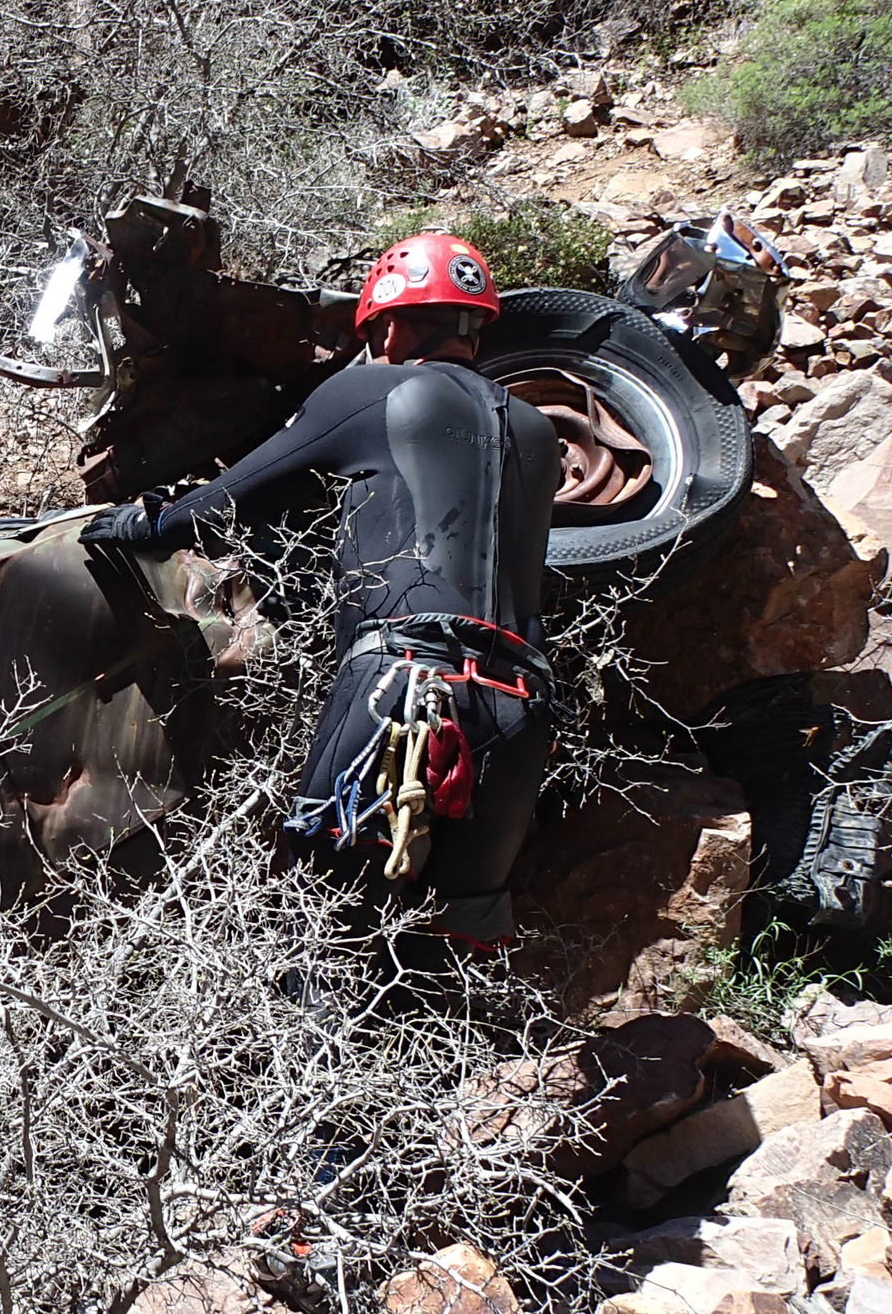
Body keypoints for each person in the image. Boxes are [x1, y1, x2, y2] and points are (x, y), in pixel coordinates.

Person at [81, 233, 560, 949]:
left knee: (316, 925)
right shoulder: (539, 430)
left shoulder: (372, 390)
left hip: (401, 686)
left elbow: (225, 502)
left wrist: (138, 520)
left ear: (390, 325)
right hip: (521, 709)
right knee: (452, 951)